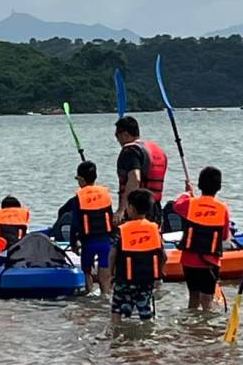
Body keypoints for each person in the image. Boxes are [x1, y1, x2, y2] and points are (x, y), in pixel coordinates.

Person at [173, 166, 233, 311]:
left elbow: (176, 205)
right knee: (207, 300)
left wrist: (187, 192)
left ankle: (191, 330)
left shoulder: (190, 203)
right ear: (219, 187)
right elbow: (225, 236)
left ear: (199, 185)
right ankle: (206, 330)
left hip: (189, 261)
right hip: (209, 263)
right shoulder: (222, 208)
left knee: (193, 297)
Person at [113, 189, 167, 325]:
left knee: (117, 310)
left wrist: (110, 273)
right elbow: (164, 256)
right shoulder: (154, 229)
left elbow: (112, 255)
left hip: (124, 280)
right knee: (145, 311)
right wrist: (160, 271)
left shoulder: (122, 230)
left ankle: (116, 335)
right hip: (146, 280)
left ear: (130, 208)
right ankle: (148, 338)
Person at [62, 161, 115, 295]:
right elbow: (110, 215)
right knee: (104, 266)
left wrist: (73, 242)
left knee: (86, 269)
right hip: (105, 239)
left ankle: (89, 291)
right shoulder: (105, 194)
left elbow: (75, 223)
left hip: (88, 241)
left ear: (81, 179)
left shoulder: (78, 198)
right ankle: (105, 292)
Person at [115, 116, 169, 222]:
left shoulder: (130, 151)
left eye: (117, 136)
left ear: (125, 134)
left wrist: (122, 210)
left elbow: (135, 179)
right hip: (155, 209)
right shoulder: (158, 150)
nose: (117, 140)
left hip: (136, 211)